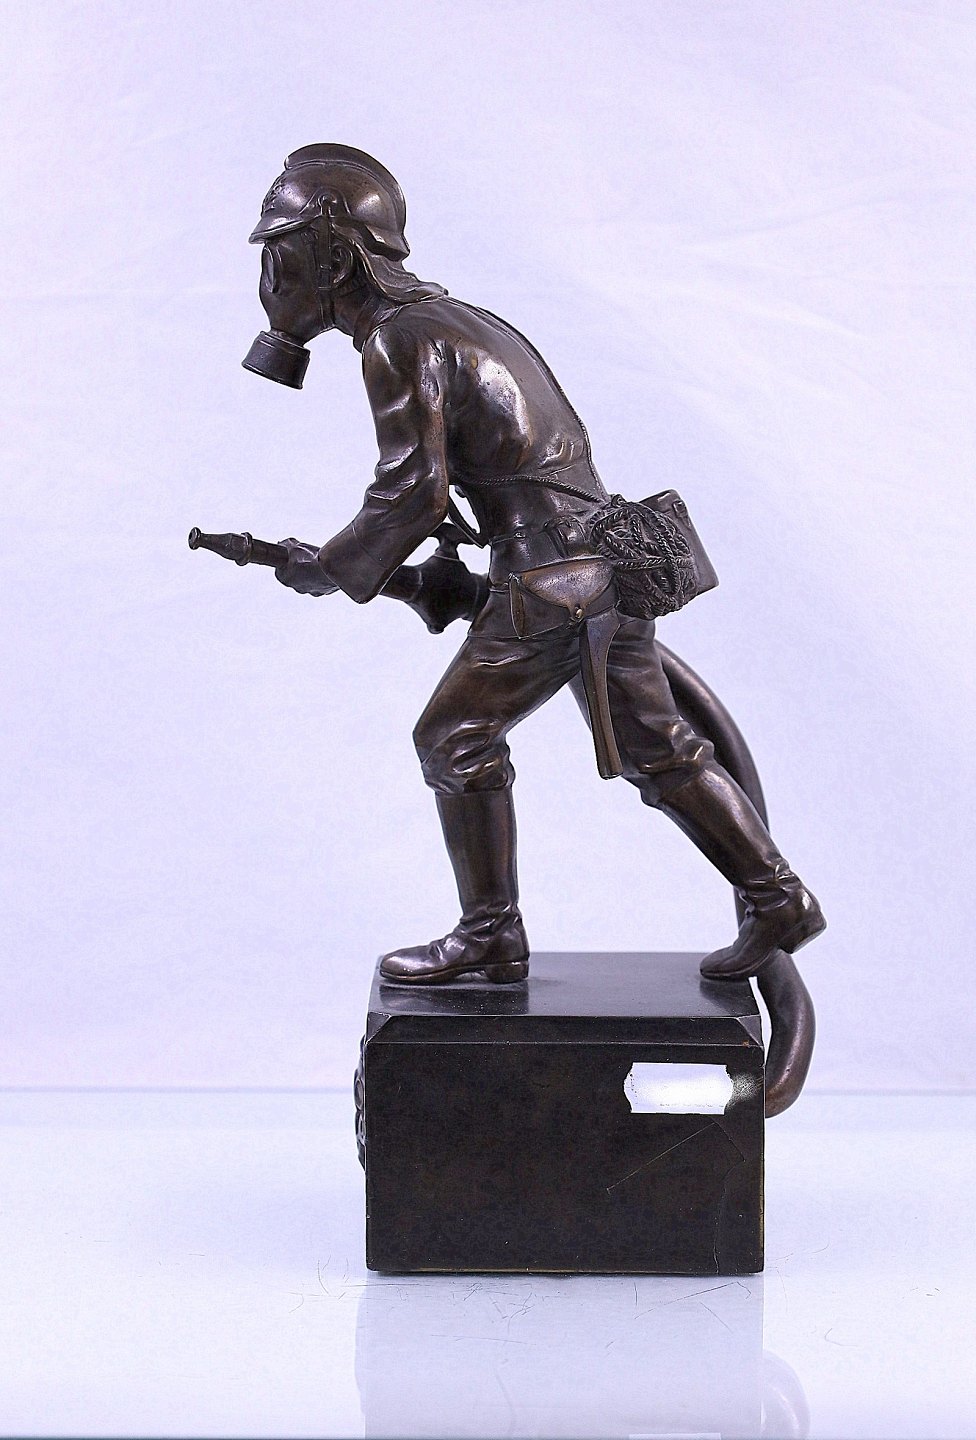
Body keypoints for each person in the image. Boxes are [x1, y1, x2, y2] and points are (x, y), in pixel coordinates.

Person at [242, 144, 825, 986]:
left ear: (332, 257)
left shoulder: (397, 341)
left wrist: (330, 568)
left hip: (551, 579)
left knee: (453, 738)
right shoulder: (458, 319)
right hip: (602, 561)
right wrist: (447, 571)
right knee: (659, 749)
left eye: (280, 254)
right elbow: (498, 476)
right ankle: (777, 897)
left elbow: (408, 495)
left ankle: (490, 931)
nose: (270, 276)